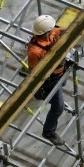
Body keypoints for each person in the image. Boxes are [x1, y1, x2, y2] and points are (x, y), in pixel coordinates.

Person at [27, 14, 69, 146]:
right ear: (44, 32)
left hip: (61, 73)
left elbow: (61, 30)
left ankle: (47, 95)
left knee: (63, 84)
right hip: (50, 80)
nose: (53, 31)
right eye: (51, 30)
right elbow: (34, 73)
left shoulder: (50, 33)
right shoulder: (35, 51)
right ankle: (49, 132)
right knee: (58, 107)